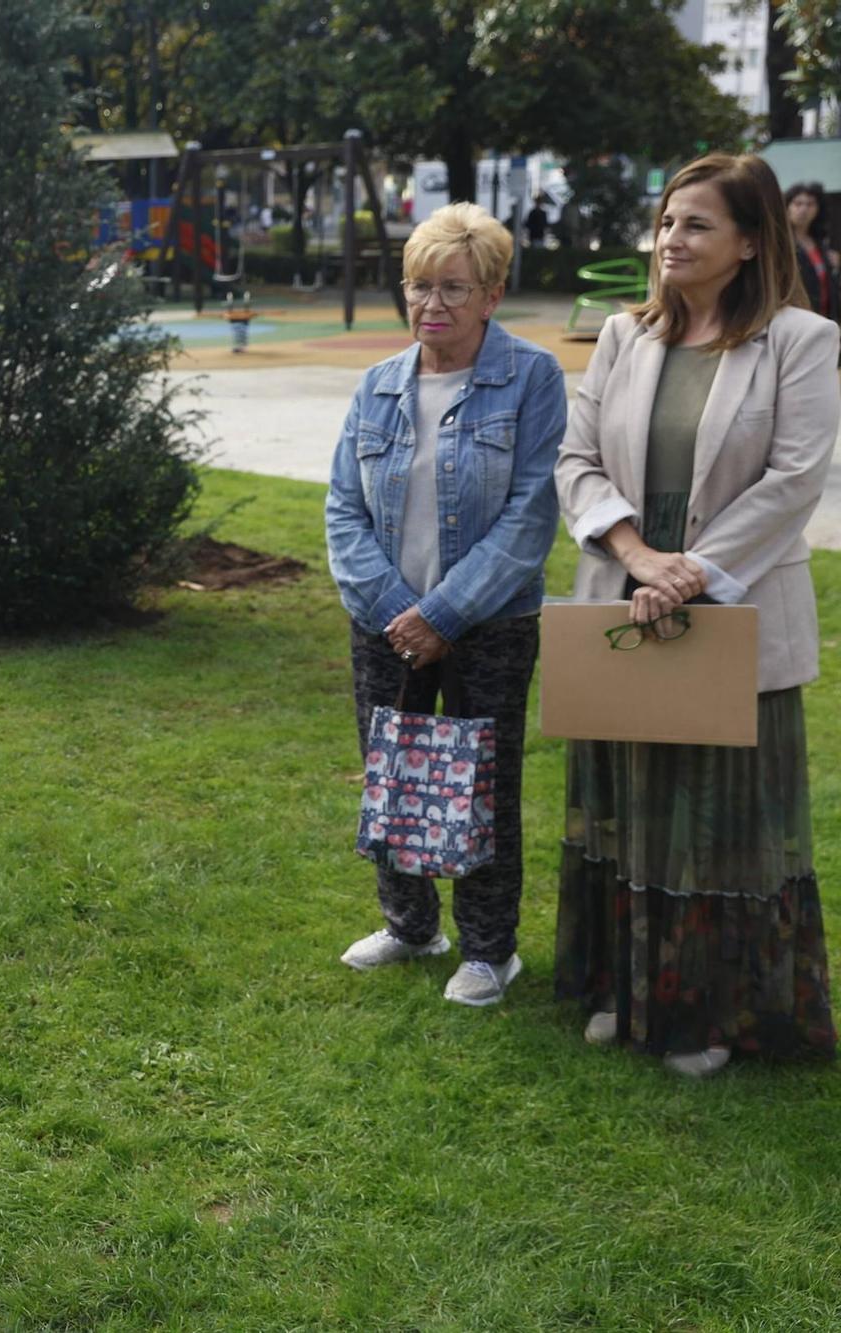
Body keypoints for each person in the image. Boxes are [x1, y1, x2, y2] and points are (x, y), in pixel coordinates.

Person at [553, 153, 839, 1077]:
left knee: (719, 822)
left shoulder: (800, 339)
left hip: (738, 611)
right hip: (625, 602)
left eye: (697, 225)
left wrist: (693, 574)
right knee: (631, 806)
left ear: (751, 242)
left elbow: (795, 479)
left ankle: (714, 1014)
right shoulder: (622, 334)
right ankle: (624, 991)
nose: (672, 240)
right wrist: (637, 555)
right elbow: (576, 462)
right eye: (668, 222)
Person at [325, 203, 568, 1007]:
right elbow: (342, 510)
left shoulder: (532, 378)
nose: (433, 305)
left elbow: (531, 516)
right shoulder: (378, 385)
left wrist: (446, 615)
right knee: (392, 765)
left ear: (493, 295)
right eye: (419, 287)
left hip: (490, 624)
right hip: (386, 623)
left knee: (483, 784)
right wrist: (397, 607)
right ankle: (409, 924)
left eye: (454, 289)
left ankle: (491, 950)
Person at [784, 182, 836, 321]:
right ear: (787, 207)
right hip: (797, 318)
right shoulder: (782, 243)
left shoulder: (820, 242)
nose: (804, 209)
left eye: (810, 204)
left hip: (825, 315)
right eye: (798, 203)